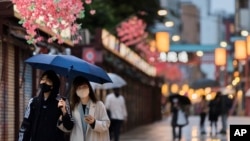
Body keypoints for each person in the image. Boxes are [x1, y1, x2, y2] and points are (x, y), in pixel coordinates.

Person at [18, 70, 73, 141]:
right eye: (42, 79)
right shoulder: (33, 102)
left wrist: (64, 111)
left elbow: (70, 126)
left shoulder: (62, 102)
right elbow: (25, 126)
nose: (44, 82)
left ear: (53, 85)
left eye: (48, 80)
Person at [58, 76, 110, 141]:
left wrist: (94, 123)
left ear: (89, 88)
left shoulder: (99, 105)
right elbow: (68, 128)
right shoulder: (72, 106)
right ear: (75, 91)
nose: (82, 89)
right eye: (79, 87)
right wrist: (62, 117)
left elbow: (106, 124)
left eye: (85, 86)